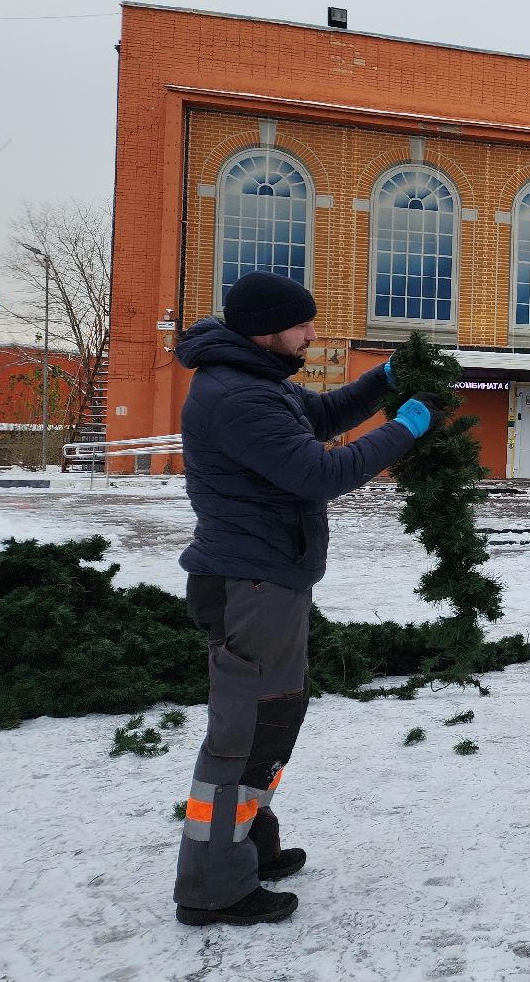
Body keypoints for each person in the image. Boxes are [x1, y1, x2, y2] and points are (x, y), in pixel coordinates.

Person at [171, 271, 439, 927]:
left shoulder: (257, 380)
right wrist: (406, 428)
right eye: (303, 325)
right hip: (250, 584)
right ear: (266, 328)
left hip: (270, 579)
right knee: (245, 731)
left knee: (275, 717)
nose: (313, 335)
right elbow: (320, 471)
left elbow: (320, 416)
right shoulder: (235, 396)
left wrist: (383, 381)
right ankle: (212, 886)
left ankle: (249, 845)